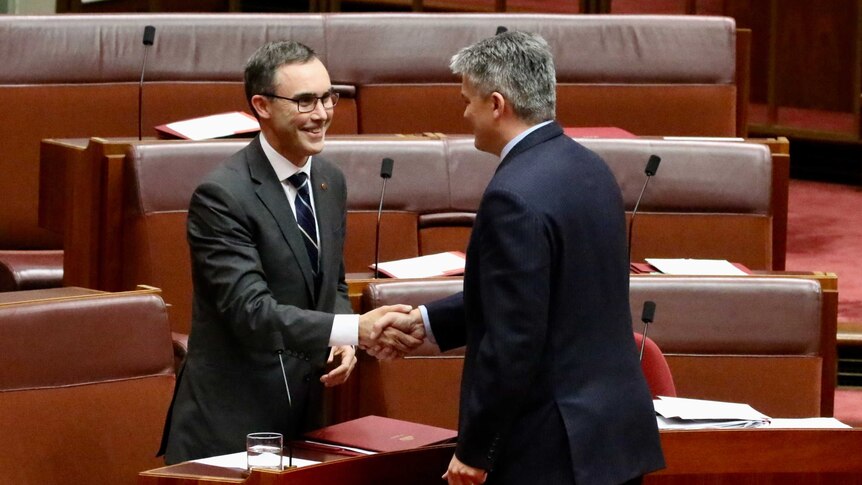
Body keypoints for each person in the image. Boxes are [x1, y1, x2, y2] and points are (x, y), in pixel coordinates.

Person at [371, 31, 665, 485]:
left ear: (496, 103)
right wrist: (428, 322)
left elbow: (515, 340)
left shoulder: (512, 196)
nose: (464, 112)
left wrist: (476, 450)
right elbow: (550, 296)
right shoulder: (590, 169)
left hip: (552, 451)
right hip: (612, 438)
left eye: (467, 100)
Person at [158, 40, 412, 464]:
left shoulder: (329, 180)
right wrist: (353, 330)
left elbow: (330, 280)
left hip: (305, 420)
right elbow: (251, 312)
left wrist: (342, 339)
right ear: (261, 105)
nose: (322, 114)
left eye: (328, 97)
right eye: (305, 101)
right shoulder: (222, 196)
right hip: (230, 428)